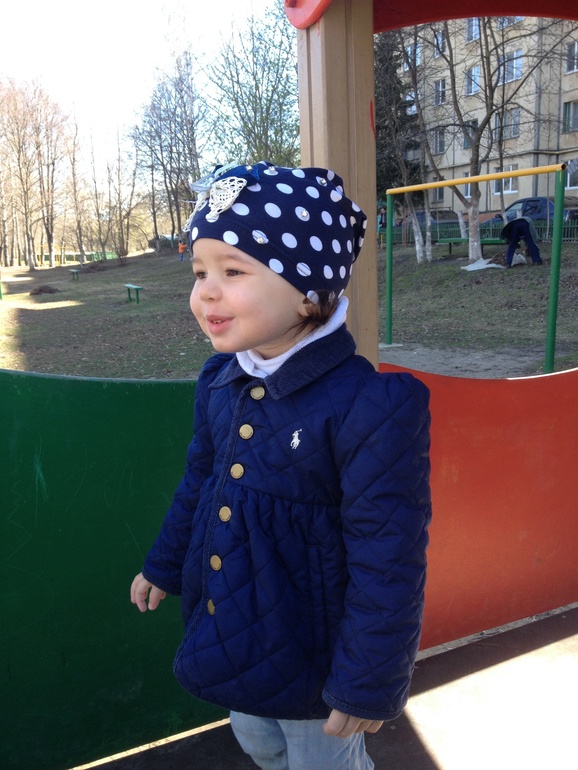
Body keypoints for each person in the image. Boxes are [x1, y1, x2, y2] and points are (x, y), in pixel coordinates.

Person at [130, 161, 432, 770]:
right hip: (235, 625)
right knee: (259, 741)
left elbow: (388, 555)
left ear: (309, 292)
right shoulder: (222, 381)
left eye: (233, 270)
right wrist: (163, 563)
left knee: (319, 762)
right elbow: (200, 481)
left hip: (317, 653)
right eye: (199, 272)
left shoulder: (368, 405)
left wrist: (370, 677)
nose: (205, 291)